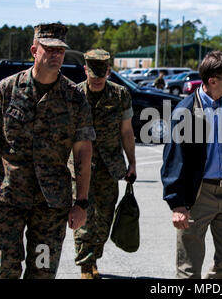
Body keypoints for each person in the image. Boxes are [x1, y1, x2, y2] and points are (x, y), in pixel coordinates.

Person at [0, 23, 95, 279]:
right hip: (8, 197)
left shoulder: (75, 98)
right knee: (4, 269)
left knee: (41, 271)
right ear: (34, 50)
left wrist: (81, 202)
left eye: (60, 51)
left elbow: (83, 151)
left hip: (51, 205)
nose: (55, 55)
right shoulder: (6, 90)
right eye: (48, 49)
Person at [161, 50, 222, 279]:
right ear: (213, 81)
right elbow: (173, 159)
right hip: (198, 195)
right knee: (188, 268)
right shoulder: (185, 111)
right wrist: (177, 203)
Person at [72, 49, 137, 279]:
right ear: (85, 71)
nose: (97, 80)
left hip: (110, 168)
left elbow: (127, 132)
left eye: (102, 75)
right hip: (81, 168)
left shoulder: (120, 95)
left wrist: (133, 163)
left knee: (104, 219)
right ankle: (85, 266)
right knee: (84, 217)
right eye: (93, 75)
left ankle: (94, 258)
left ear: (109, 71)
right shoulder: (74, 94)